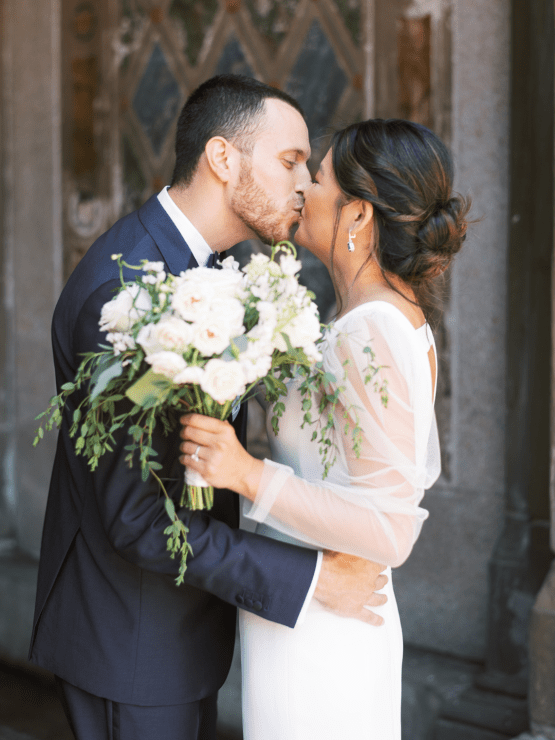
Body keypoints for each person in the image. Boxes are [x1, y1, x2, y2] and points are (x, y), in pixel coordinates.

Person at [28, 75, 388, 740]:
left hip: (182, 636)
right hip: (129, 643)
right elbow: (136, 517)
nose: (305, 184)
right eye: (289, 162)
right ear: (222, 159)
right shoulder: (127, 293)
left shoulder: (214, 270)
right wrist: (311, 579)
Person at [180, 118, 470, 739]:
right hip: (304, 615)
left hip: (327, 633)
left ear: (358, 215)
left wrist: (247, 474)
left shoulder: (376, 332)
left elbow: (389, 529)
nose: (302, 191)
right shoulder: (368, 317)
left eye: (315, 178)